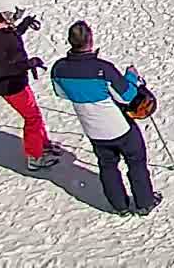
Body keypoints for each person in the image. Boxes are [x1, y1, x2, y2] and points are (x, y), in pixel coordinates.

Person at [48, 22, 155, 216]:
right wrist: (132, 78)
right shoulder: (103, 69)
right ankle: (145, 202)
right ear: (90, 40)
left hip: (93, 129)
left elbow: (61, 93)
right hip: (119, 127)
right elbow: (127, 96)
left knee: (107, 165)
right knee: (136, 161)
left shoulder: (59, 69)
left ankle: (119, 205)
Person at [0, 0, 57, 171]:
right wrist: (28, 64)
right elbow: (4, 68)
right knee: (32, 118)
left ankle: (43, 145)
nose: (16, 18)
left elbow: (12, 36)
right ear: (6, 13)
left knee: (35, 114)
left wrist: (25, 25)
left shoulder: (0, 27)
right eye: (15, 14)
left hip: (19, 81)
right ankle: (34, 156)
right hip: (10, 85)